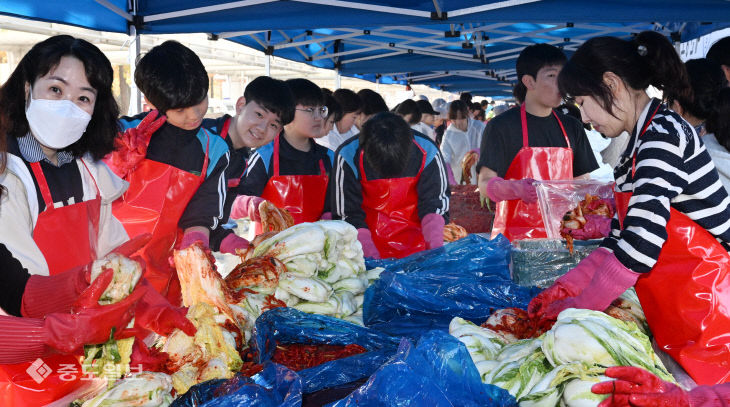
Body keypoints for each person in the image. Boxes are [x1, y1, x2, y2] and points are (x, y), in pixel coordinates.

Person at [0, 35, 193, 404]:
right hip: (25, 352)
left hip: (90, 342)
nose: (68, 106)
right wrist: (60, 329)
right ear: (27, 88)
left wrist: (150, 304)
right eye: (56, 89)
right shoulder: (10, 175)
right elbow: (17, 292)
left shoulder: (86, 169)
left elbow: (116, 257)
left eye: (83, 98)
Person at [529, 31, 730, 386]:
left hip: (713, 315)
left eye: (582, 102)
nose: (586, 118)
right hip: (683, 311)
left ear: (611, 84)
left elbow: (640, 245)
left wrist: (582, 305)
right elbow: (619, 237)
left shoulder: (663, 138)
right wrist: (567, 287)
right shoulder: (636, 149)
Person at [106, 41, 230, 301]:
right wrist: (112, 166)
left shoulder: (214, 149)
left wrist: (196, 242)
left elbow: (204, 209)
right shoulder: (121, 134)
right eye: (180, 109)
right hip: (106, 267)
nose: (194, 115)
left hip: (168, 273)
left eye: (200, 101)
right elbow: (84, 193)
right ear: (151, 102)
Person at [476, 43, 598, 241]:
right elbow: (484, 182)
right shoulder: (502, 126)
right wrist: (516, 189)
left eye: (563, 75)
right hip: (515, 244)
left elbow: (582, 181)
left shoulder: (572, 127)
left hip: (563, 239)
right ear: (529, 82)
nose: (561, 83)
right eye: (551, 76)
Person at [331, 112, 450, 259]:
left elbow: (434, 204)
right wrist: (369, 255)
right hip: (364, 249)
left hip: (418, 250)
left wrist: (434, 249)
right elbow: (348, 213)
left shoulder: (428, 150)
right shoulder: (348, 154)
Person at [204, 76, 295, 253]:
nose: (262, 128)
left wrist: (230, 241)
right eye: (259, 114)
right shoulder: (203, 138)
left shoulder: (242, 159)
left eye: (274, 124)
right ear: (240, 105)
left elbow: (215, 216)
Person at [234, 78, 333, 233]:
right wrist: (249, 205)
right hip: (271, 250)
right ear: (287, 112)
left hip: (317, 251)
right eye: (310, 110)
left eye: (321, 110)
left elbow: (333, 204)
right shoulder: (265, 156)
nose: (319, 117)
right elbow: (237, 200)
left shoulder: (328, 158)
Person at [440, 100, 481, 185]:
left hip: (481, 175)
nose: (458, 123)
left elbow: (489, 146)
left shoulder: (479, 127)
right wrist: (451, 180)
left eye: (462, 119)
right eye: (454, 119)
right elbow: (444, 158)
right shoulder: (448, 134)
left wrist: (479, 151)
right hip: (459, 178)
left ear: (467, 114)